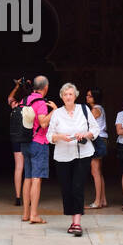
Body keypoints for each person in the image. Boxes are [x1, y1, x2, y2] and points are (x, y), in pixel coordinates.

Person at [47, 82, 98, 236]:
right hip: (62, 156)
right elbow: (49, 135)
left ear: (75, 96)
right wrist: (59, 136)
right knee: (67, 188)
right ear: (62, 97)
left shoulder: (84, 110)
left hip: (83, 153)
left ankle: (76, 223)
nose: (68, 97)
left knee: (77, 187)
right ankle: (72, 218)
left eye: (71, 94)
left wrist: (85, 135)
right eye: (65, 94)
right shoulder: (57, 113)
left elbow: (95, 129)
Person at [21, 74, 55, 225]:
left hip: (25, 143)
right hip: (38, 143)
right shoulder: (40, 102)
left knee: (27, 177)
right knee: (36, 178)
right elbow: (43, 123)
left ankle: (25, 213)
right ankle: (34, 214)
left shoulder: (25, 100)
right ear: (45, 87)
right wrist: (54, 110)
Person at [7, 77, 31, 206]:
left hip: (16, 138)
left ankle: (18, 197)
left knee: (18, 167)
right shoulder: (32, 104)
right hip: (29, 138)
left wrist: (17, 86)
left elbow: (9, 98)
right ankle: (30, 196)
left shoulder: (15, 104)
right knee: (29, 168)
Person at [86, 86, 108, 209]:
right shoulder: (100, 108)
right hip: (101, 140)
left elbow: (86, 124)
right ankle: (103, 200)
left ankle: (97, 201)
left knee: (95, 171)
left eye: (89, 95)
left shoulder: (95, 109)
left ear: (95, 98)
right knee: (98, 172)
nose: (87, 97)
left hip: (98, 140)